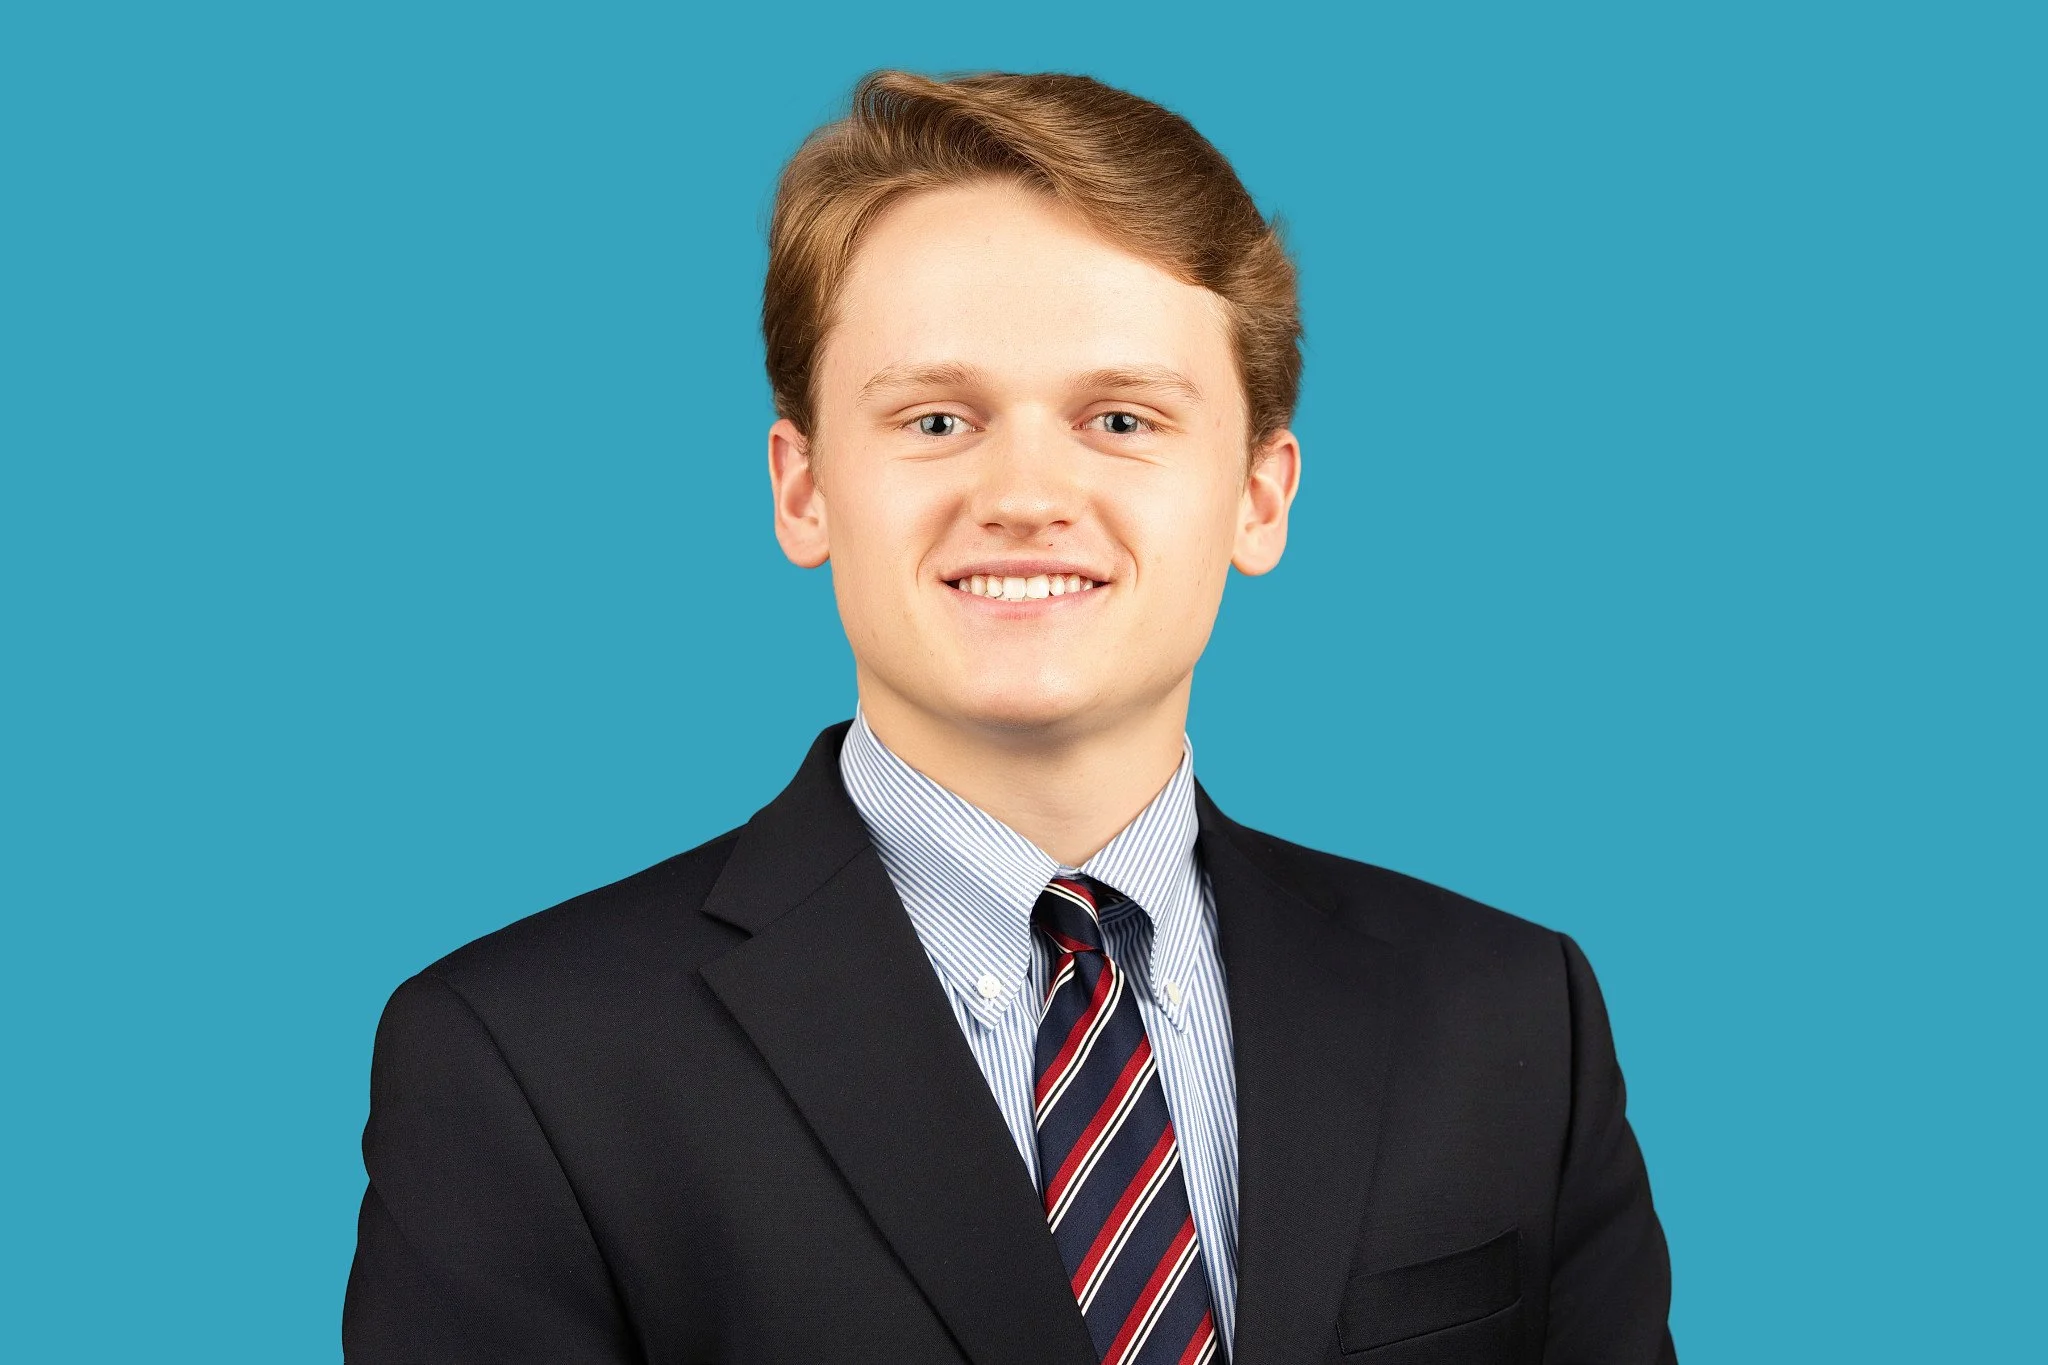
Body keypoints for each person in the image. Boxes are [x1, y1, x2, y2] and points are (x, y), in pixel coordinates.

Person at [343, 70, 1675, 1364]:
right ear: (803, 489)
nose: (1027, 493)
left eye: (1118, 416)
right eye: (936, 418)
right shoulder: (523, 1062)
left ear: (1259, 499)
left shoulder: (1507, 1020)